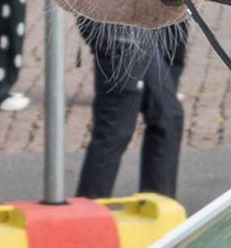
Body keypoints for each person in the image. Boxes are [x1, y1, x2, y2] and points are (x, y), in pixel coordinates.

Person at [73, 14, 186, 204]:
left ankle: (158, 211)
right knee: (116, 125)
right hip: (116, 19)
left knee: (167, 115)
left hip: (141, 24)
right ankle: (86, 216)